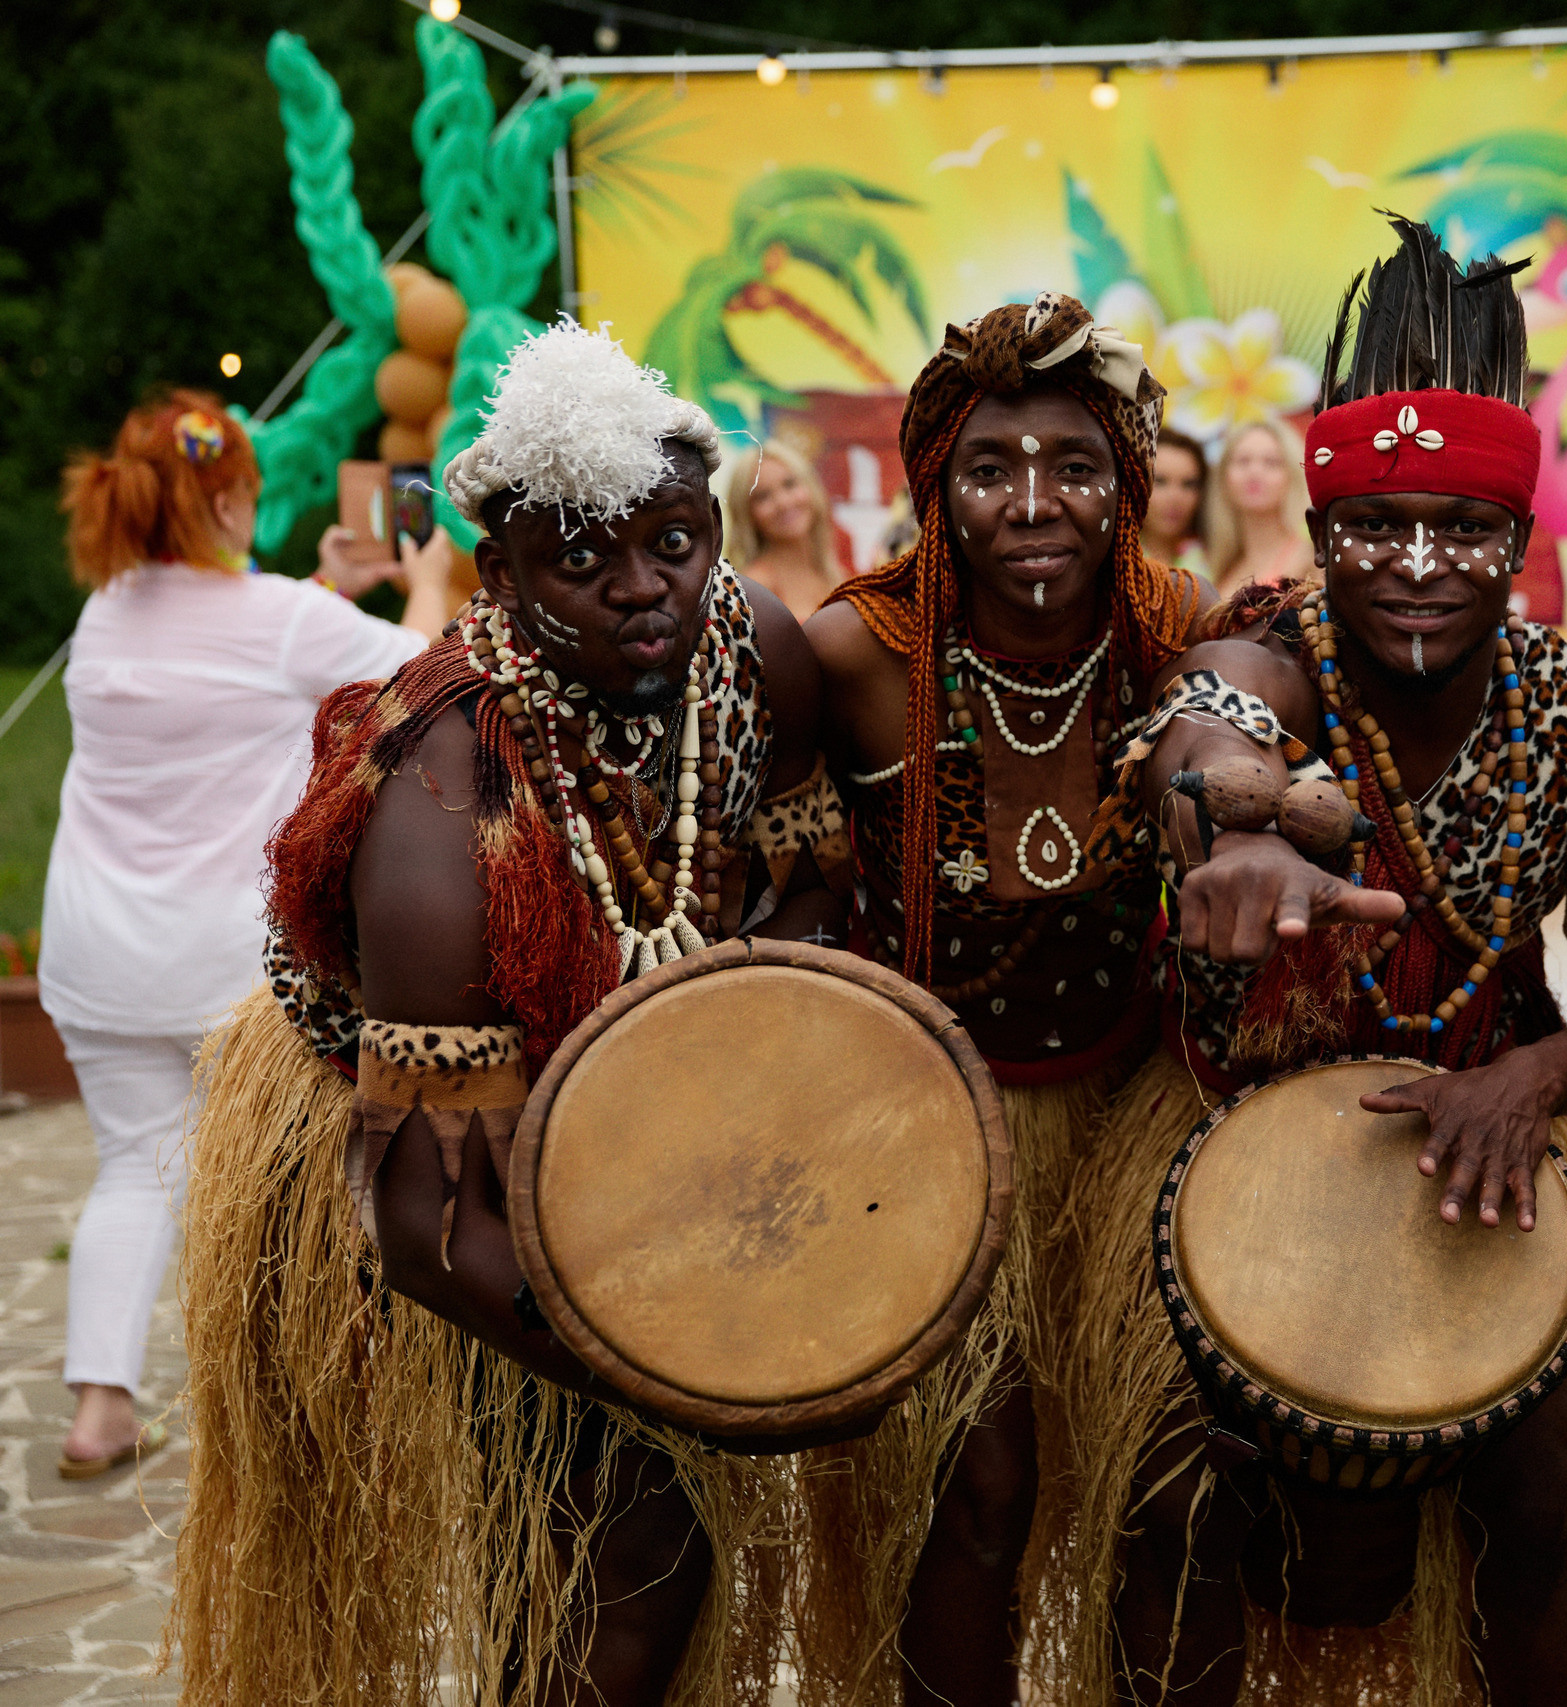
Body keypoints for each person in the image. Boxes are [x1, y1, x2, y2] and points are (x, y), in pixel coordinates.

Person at [1055, 216, 1567, 1706]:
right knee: (1177, 1509)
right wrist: (1247, 828)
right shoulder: (1269, 660)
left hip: (1479, 1141)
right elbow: (1196, 739)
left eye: (1464, 529)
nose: (1418, 566)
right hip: (1220, 1131)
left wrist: (1533, 1079)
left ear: (1519, 539)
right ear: (1322, 526)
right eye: (1376, 526)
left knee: (1527, 1513)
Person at [172, 322, 850, 1706]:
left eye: (670, 540)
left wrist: (727, 1056)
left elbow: (811, 887)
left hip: (621, 1092)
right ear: (504, 571)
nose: (642, 587)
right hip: (430, 1143)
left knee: (637, 1569)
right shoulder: (440, 787)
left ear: (708, 522)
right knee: (618, 1547)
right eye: (582, 559)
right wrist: (680, 1371)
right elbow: (424, 1220)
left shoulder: (756, 647)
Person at [799, 289, 1208, 1707]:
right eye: (989, 469)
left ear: (1128, 488)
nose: (1034, 499)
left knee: (1165, 1478)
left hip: (1127, 1125)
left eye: (1075, 465)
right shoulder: (858, 657)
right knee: (976, 1490)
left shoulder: (1175, 640)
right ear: (936, 491)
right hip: (931, 1140)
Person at [42, 391, 446, 1482]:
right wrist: (423, 580)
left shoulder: (108, 612)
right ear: (226, 498)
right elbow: (426, 668)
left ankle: (99, 1410)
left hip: (96, 950)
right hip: (227, 969)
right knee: (295, 1192)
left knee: (133, 1167)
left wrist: (321, 587)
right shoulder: (281, 619)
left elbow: (230, 660)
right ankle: (305, 1420)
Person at [714, 434, 843, 620]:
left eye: (789, 484)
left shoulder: (833, 572)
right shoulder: (752, 590)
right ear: (747, 514)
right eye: (763, 496)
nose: (783, 503)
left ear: (810, 486)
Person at [1202, 418, 1315, 598]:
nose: (1254, 472)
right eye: (1242, 461)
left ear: (1293, 475)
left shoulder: (1311, 556)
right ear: (1223, 477)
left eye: (1271, 462)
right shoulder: (1220, 565)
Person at [1140, 427, 1213, 592]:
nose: (1175, 498)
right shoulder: (1112, 560)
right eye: (1160, 481)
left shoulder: (1219, 558)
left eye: (1188, 484)